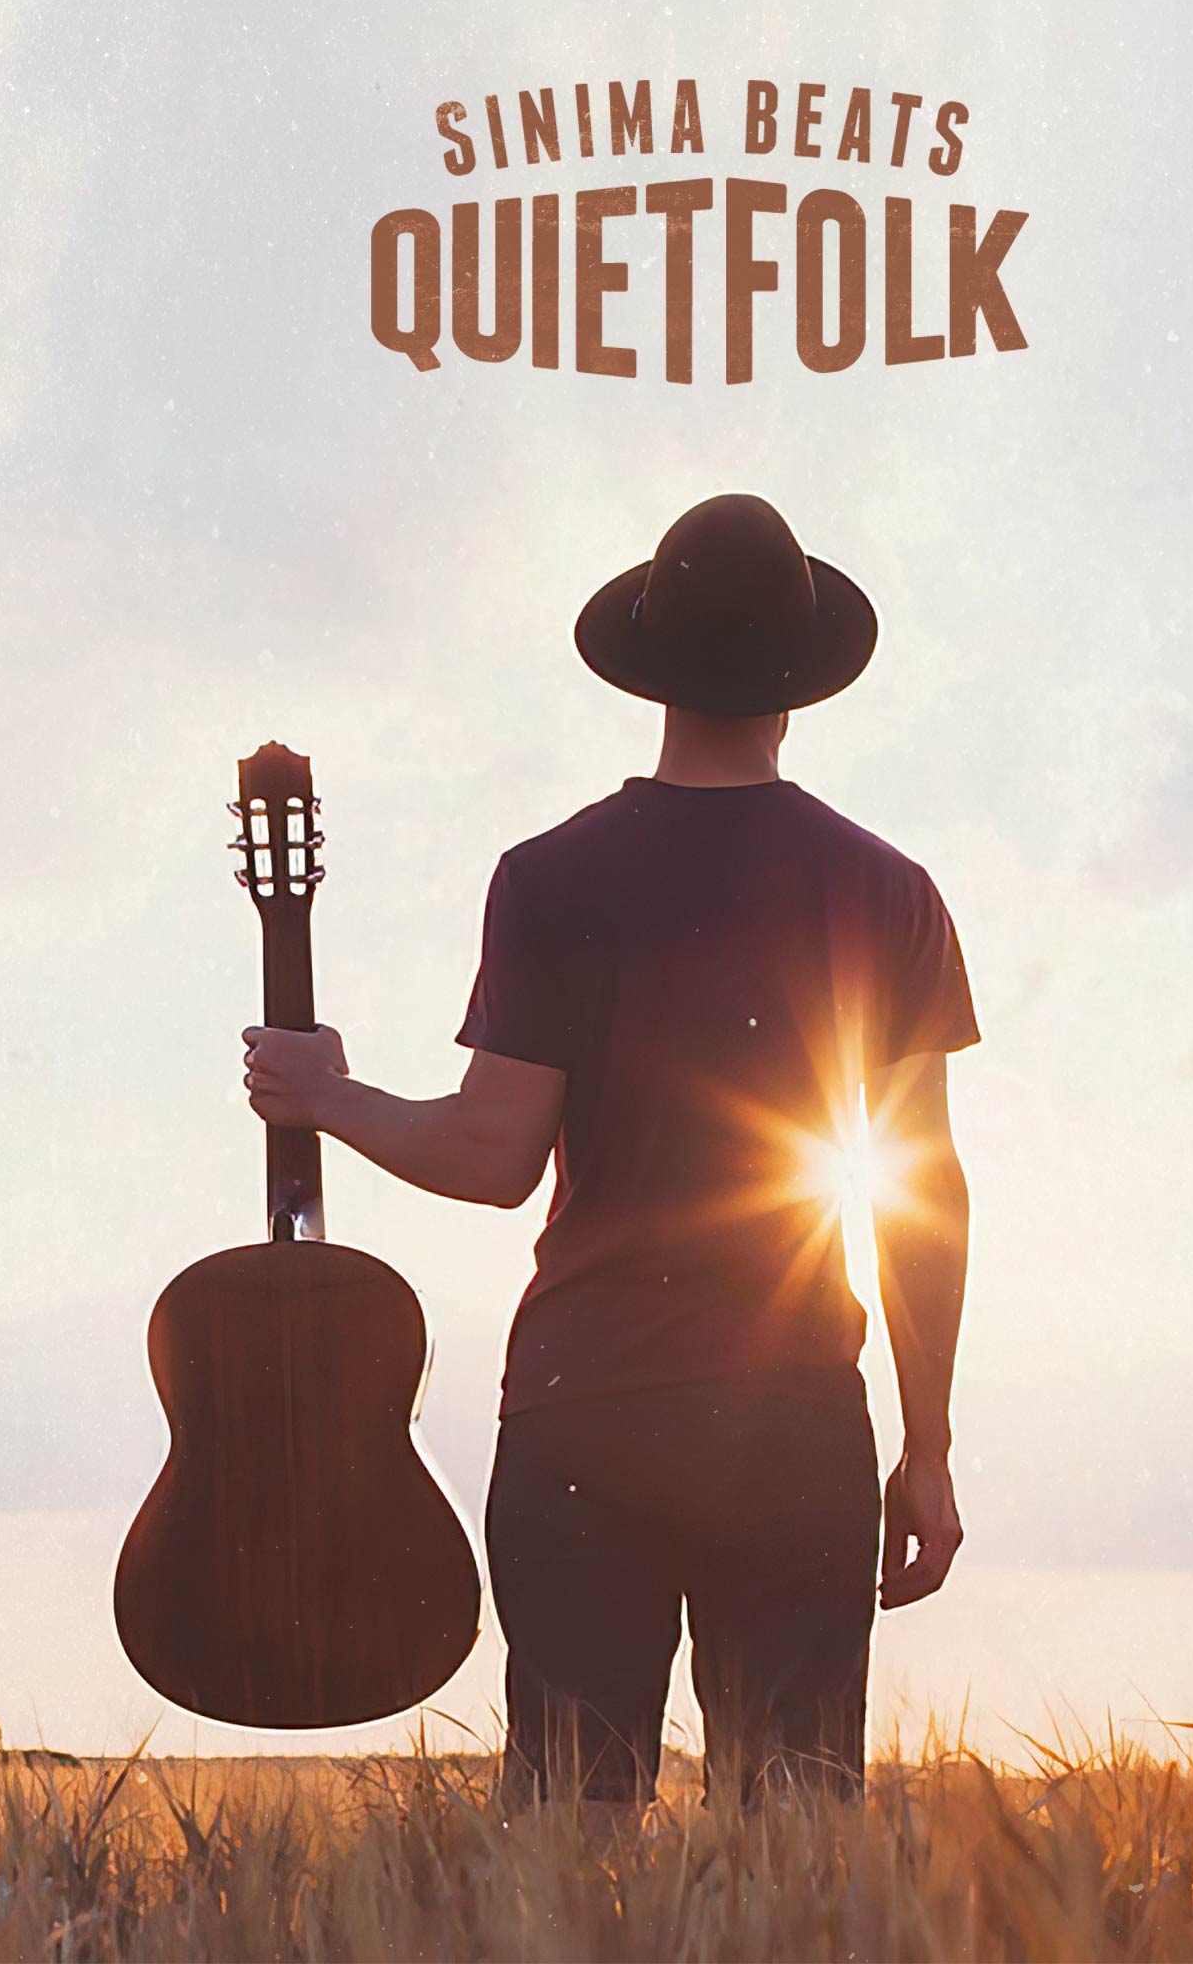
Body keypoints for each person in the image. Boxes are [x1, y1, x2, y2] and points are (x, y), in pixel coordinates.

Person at [242, 491, 977, 1817]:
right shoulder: (886, 888)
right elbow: (923, 1201)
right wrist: (924, 1445)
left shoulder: (555, 877)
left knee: (570, 1846)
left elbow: (492, 1152)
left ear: (651, 667)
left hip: (585, 1412)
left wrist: (333, 1096)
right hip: (794, 1411)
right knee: (795, 1850)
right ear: (800, 681)